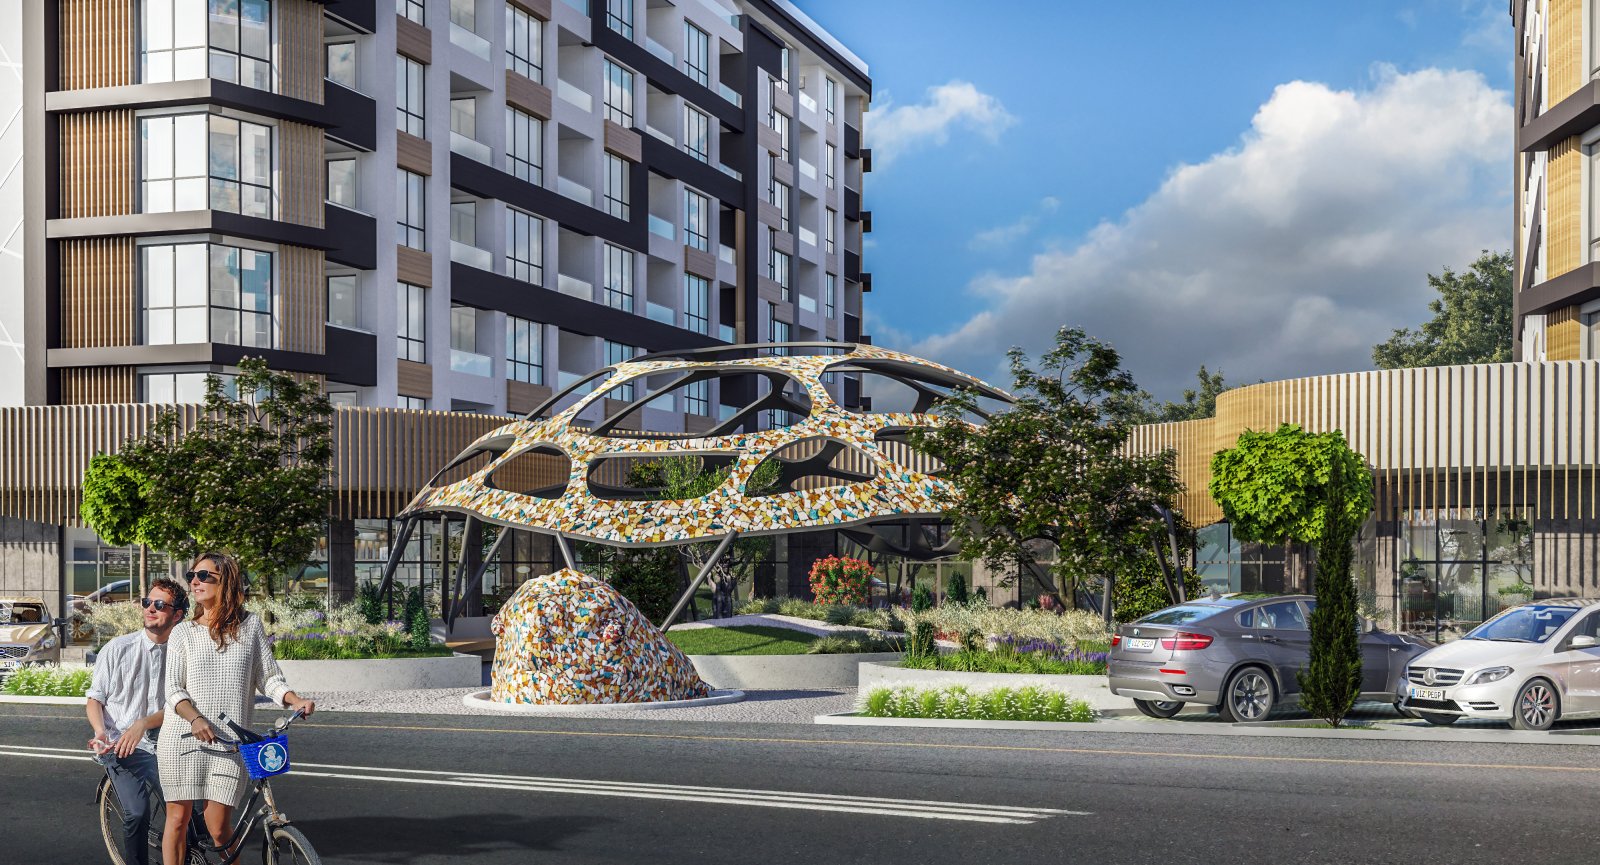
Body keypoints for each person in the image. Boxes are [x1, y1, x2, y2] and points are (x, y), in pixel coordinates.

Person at [157, 552, 315, 865]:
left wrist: (295, 700)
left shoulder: (250, 626)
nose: (196, 582)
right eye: (193, 576)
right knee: (178, 818)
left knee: (219, 829)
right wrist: (195, 718)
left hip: (229, 745)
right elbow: (173, 689)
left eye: (205, 576)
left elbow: (269, 678)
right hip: (183, 740)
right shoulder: (183, 633)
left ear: (226, 581)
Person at [86, 577, 189, 865]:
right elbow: (95, 699)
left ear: (177, 615)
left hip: (167, 743)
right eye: (147, 602)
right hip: (121, 745)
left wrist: (144, 723)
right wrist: (100, 732)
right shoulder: (118, 649)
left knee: (188, 814)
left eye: (160, 604)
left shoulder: (183, 654)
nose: (150, 609)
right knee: (138, 812)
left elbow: (184, 706)